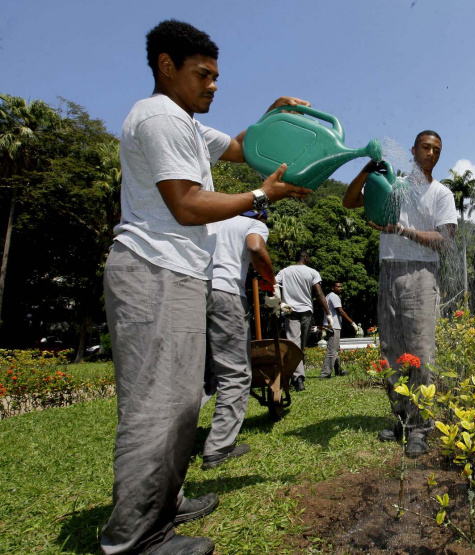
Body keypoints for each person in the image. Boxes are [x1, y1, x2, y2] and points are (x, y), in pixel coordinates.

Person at [103, 19, 311, 555]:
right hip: (152, 270)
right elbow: (187, 203)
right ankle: (136, 540)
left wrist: (271, 118)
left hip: (179, 273)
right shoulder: (160, 118)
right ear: (166, 66)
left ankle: (164, 505)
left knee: (179, 403)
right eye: (203, 75)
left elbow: (240, 148)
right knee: (158, 406)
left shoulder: (190, 126)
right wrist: (261, 198)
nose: (213, 85)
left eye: (216, 76)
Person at [343, 131, 457, 457]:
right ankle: (402, 419)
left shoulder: (440, 193)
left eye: (437, 149)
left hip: (421, 273)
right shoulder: (393, 187)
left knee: (420, 351)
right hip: (389, 271)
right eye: (426, 147)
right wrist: (367, 169)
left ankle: (420, 427)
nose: (431, 153)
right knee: (390, 350)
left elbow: (445, 240)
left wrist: (402, 230)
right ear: (413, 150)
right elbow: (350, 201)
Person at [200, 209, 274, 470]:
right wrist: (270, 280)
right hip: (227, 294)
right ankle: (219, 447)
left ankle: (174, 440)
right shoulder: (253, 225)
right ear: (260, 215)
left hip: (196, 290)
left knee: (200, 373)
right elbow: (255, 248)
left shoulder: (211, 221)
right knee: (236, 373)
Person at [276, 249, 330, 391]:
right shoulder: (312, 272)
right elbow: (319, 294)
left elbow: (273, 285)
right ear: (305, 258)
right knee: (299, 345)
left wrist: (281, 302)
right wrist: (328, 313)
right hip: (306, 312)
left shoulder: (284, 272)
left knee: (296, 345)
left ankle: (295, 377)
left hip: (290, 311)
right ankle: (299, 378)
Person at [319, 280, 358, 379]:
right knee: (332, 350)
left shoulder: (329, 296)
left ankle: (338, 370)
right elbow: (341, 311)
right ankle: (325, 374)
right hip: (334, 326)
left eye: (341, 286)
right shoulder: (334, 296)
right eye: (338, 286)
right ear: (333, 288)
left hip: (331, 325)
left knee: (335, 349)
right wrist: (352, 323)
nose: (341, 288)